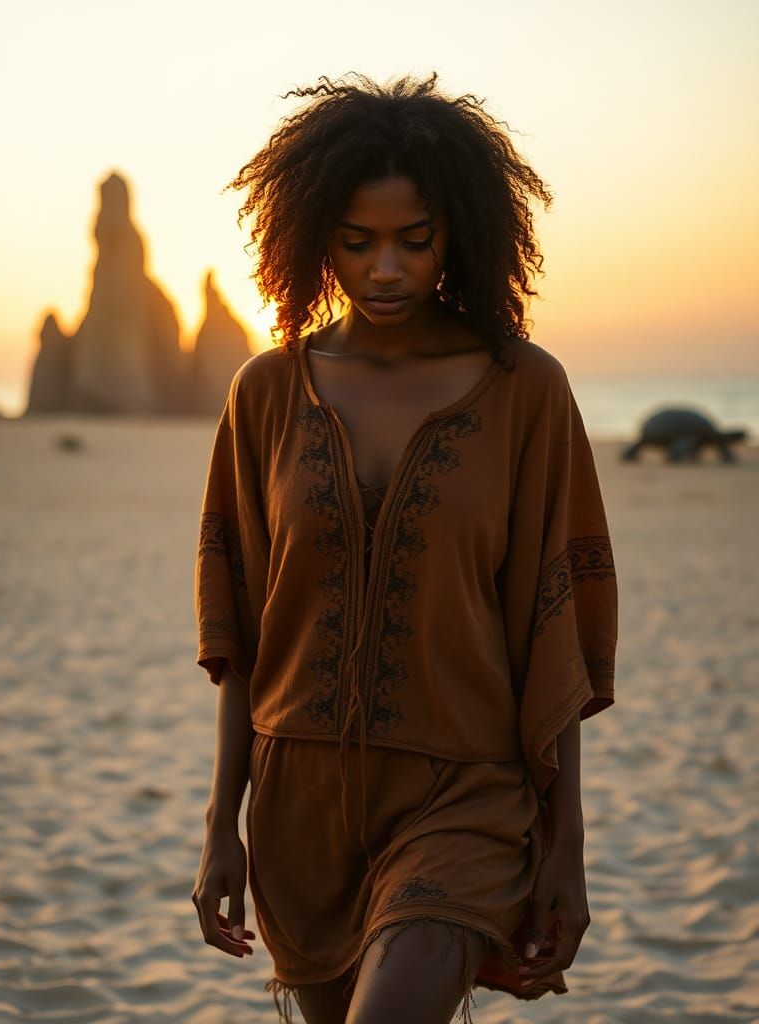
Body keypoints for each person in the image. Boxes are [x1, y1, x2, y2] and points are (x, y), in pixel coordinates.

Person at [191, 71, 618, 1024]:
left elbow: (555, 632)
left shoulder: (526, 390)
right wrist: (223, 823)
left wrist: (567, 846)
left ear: (457, 233)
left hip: (464, 792)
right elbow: (241, 633)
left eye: (413, 240)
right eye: (357, 241)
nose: (385, 267)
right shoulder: (264, 393)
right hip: (298, 803)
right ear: (315, 238)